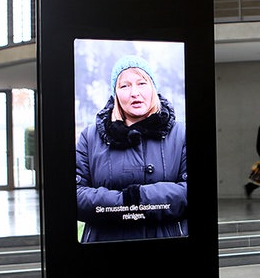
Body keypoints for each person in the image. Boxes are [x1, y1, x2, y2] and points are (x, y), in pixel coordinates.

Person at [76, 55, 187, 243]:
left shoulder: (181, 134)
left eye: (142, 83)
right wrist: (126, 202)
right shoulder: (89, 137)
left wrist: (140, 198)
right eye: (124, 86)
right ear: (115, 93)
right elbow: (75, 195)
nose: (134, 92)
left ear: (153, 87)